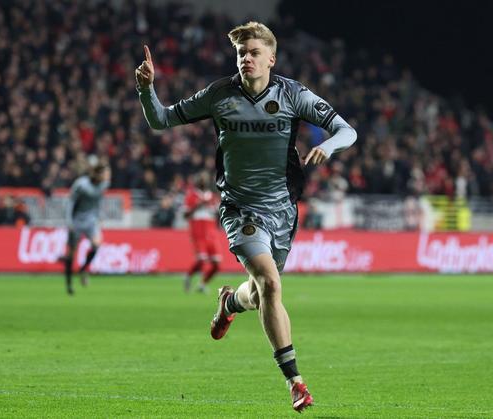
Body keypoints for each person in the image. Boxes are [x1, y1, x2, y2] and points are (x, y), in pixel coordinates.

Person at [136, 21, 356, 412]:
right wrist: (146, 89)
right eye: (241, 53)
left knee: (257, 293)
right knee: (270, 283)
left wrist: (330, 146)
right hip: (239, 208)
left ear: (272, 58)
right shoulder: (219, 94)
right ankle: (295, 382)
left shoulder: (292, 94)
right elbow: (161, 120)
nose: (246, 59)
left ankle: (229, 303)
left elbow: (346, 130)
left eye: (254, 53)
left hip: (283, 210)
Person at [60, 164, 111, 295]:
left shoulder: (104, 185)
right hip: (76, 220)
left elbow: (98, 200)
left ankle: (83, 269)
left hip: (91, 221)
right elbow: (70, 202)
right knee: (71, 254)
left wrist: (100, 217)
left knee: (96, 244)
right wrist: (68, 221)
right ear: (99, 174)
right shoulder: (81, 185)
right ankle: (69, 285)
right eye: (106, 173)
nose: (108, 177)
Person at [182, 172, 222, 294]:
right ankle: (188, 276)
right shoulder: (192, 195)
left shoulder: (212, 196)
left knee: (217, 264)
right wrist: (197, 206)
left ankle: (202, 284)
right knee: (202, 260)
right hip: (198, 231)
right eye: (201, 179)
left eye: (205, 179)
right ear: (197, 181)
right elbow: (185, 215)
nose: (204, 181)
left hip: (211, 232)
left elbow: (217, 213)